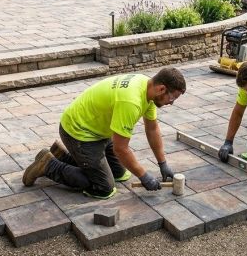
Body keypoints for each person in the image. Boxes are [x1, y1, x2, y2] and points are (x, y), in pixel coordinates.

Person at [22, 68, 186, 198]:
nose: (171, 103)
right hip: (79, 133)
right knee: (104, 187)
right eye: (172, 98)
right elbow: (121, 149)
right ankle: (49, 165)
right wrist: (144, 176)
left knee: (119, 173)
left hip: (98, 131)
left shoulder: (146, 86)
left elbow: (152, 129)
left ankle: (61, 155)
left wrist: (162, 163)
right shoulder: (131, 101)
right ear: (161, 88)